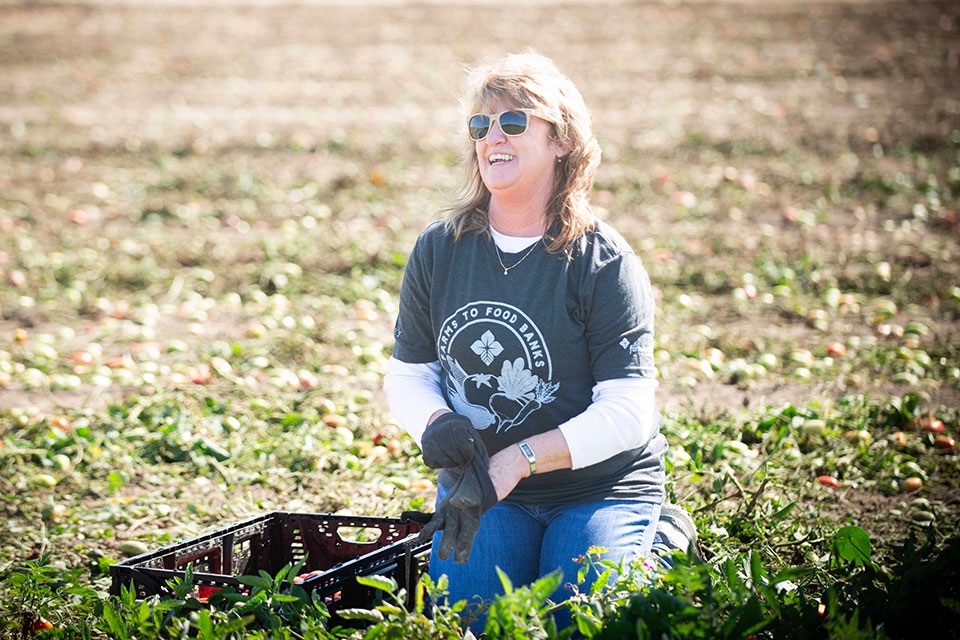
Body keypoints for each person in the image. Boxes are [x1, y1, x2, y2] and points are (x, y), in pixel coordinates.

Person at [383, 52, 687, 631]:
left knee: (581, 618)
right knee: (472, 621)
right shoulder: (441, 248)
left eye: (514, 122)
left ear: (562, 140)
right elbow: (409, 374)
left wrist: (520, 460)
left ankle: (660, 539)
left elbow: (629, 412)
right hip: (487, 491)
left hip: (600, 488)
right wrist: (433, 423)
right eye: (481, 125)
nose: (492, 136)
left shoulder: (602, 261)